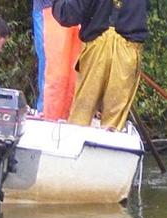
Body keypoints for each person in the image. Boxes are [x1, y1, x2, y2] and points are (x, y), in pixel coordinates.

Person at [52, 0, 149, 131]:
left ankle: (75, 143)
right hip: (127, 51)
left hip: (97, 48)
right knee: (113, 126)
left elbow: (68, 14)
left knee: (80, 118)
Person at [33, 0, 82, 121]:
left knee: (74, 75)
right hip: (51, 10)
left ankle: (66, 120)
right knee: (55, 72)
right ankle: (47, 118)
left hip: (78, 12)